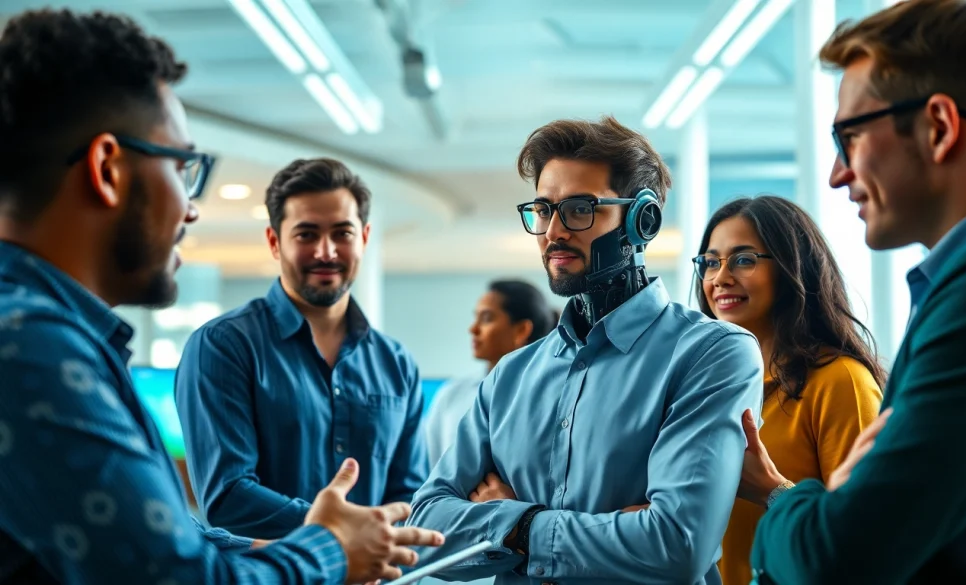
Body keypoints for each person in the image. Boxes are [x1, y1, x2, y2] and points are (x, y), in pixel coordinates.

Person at [0, 8, 442, 584]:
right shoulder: (30, 346)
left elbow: (170, 539)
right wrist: (330, 549)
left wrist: (349, 543)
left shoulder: (52, 335)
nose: (191, 207)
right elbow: (179, 577)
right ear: (108, 168)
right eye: (183, 167)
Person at [407, 116, 764, 585]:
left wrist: (514, 524)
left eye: (579, 209)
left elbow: (677, 545)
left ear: (642, 219)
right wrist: (604, 532)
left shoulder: (712, 354)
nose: (554, 231)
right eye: (542, 209)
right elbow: (425, 531)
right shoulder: (511, 375)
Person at [749, 1, 966, 583]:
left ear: (939, 128)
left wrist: (788, 505)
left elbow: (839, 557)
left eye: (849, 137)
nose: (836, 174)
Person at [175, 157, 429, 540]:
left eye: (342, 233)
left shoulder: (396, 364)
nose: (325, 252)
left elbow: (410, 498)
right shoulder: (223, 346)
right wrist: (341, 536)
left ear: (363, 238)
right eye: (306, 234)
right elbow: (227, 496)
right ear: (275, 242)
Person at [690, 196, 885, 585]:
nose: (720, 277)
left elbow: (866, 539)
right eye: (711, 262)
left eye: (743, 260)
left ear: (792, 267)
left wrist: (772, 491)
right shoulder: (701, 385)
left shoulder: (840, 381)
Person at [424, 279, 557, 467]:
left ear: (521, 330)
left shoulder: (553, 396)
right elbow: (430, 470)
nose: (473, 329)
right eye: (475, 318)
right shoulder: (452, 395)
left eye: (486, 318)